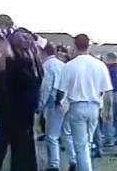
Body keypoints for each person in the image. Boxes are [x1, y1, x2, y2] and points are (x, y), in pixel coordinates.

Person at [0, 14, 44, 171]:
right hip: (24, 107)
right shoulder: (30, 61)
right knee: (24, 144)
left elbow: (11, 63)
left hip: (14, 109)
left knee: (17, 144)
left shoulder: (16, 62)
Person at [57, 34, 113, 171]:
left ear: (75, 46)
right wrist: (108, 110)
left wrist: (58, 103)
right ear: (89, 45)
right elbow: (107, 91)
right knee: (87, 143)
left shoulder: (69, 66)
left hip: (77, 106)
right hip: (94, 106)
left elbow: (61, 90)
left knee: (80, 146)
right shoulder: (99, 65)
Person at [38, 42, 66, 171]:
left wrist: (41, 105)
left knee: (52, 136)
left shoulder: (47, 66)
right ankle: (73, 160)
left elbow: (46, 87)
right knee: (67, 133)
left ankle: (54, 164)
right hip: (66, 101)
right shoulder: (62, 64)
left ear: (43, 52)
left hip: (54, 102)